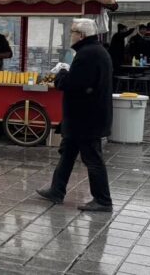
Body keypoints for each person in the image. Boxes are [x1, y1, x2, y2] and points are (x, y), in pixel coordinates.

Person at [37, 18, 113, 212]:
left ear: (81, 35)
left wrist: (61, 74)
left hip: (86, 118)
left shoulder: (87, 54)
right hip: (84, 116)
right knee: (67, 153)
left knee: (92, 158)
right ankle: (56, 190)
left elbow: (74, 85)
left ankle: (103, 200)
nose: (69, 35)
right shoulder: (95, 51)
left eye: (72, 32)